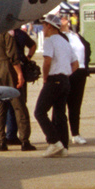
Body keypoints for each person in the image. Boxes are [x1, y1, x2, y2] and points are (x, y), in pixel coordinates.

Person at [0, 25, 35, 151]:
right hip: (7, 67)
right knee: (18, 104)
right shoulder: (6, 33)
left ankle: (0, 140)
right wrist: (20, 73)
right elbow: (12, 55)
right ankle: (24, 140)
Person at [35, 14, 75, 156]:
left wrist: (45, 78)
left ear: (50, 26)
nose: (43, 28)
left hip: (54, 79)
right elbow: (75, 64)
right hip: (64, 80)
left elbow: (47, 61)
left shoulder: (50, 41)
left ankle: (54, 142)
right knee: (59, 113)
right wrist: (65, 73)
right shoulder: (65, 42)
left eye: (44, 26)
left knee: (39, 112)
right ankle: (63, 147)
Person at [63, 15, 91, 144]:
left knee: (75, 105)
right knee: (61, 105)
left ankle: (75, 133)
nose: (65, 20)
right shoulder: (58, 37)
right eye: (62, 18)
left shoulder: (75, 35)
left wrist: (85, 65)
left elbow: (87, 47)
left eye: (65, 18)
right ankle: (60, 135)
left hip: (80, 72)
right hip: (67, 73)